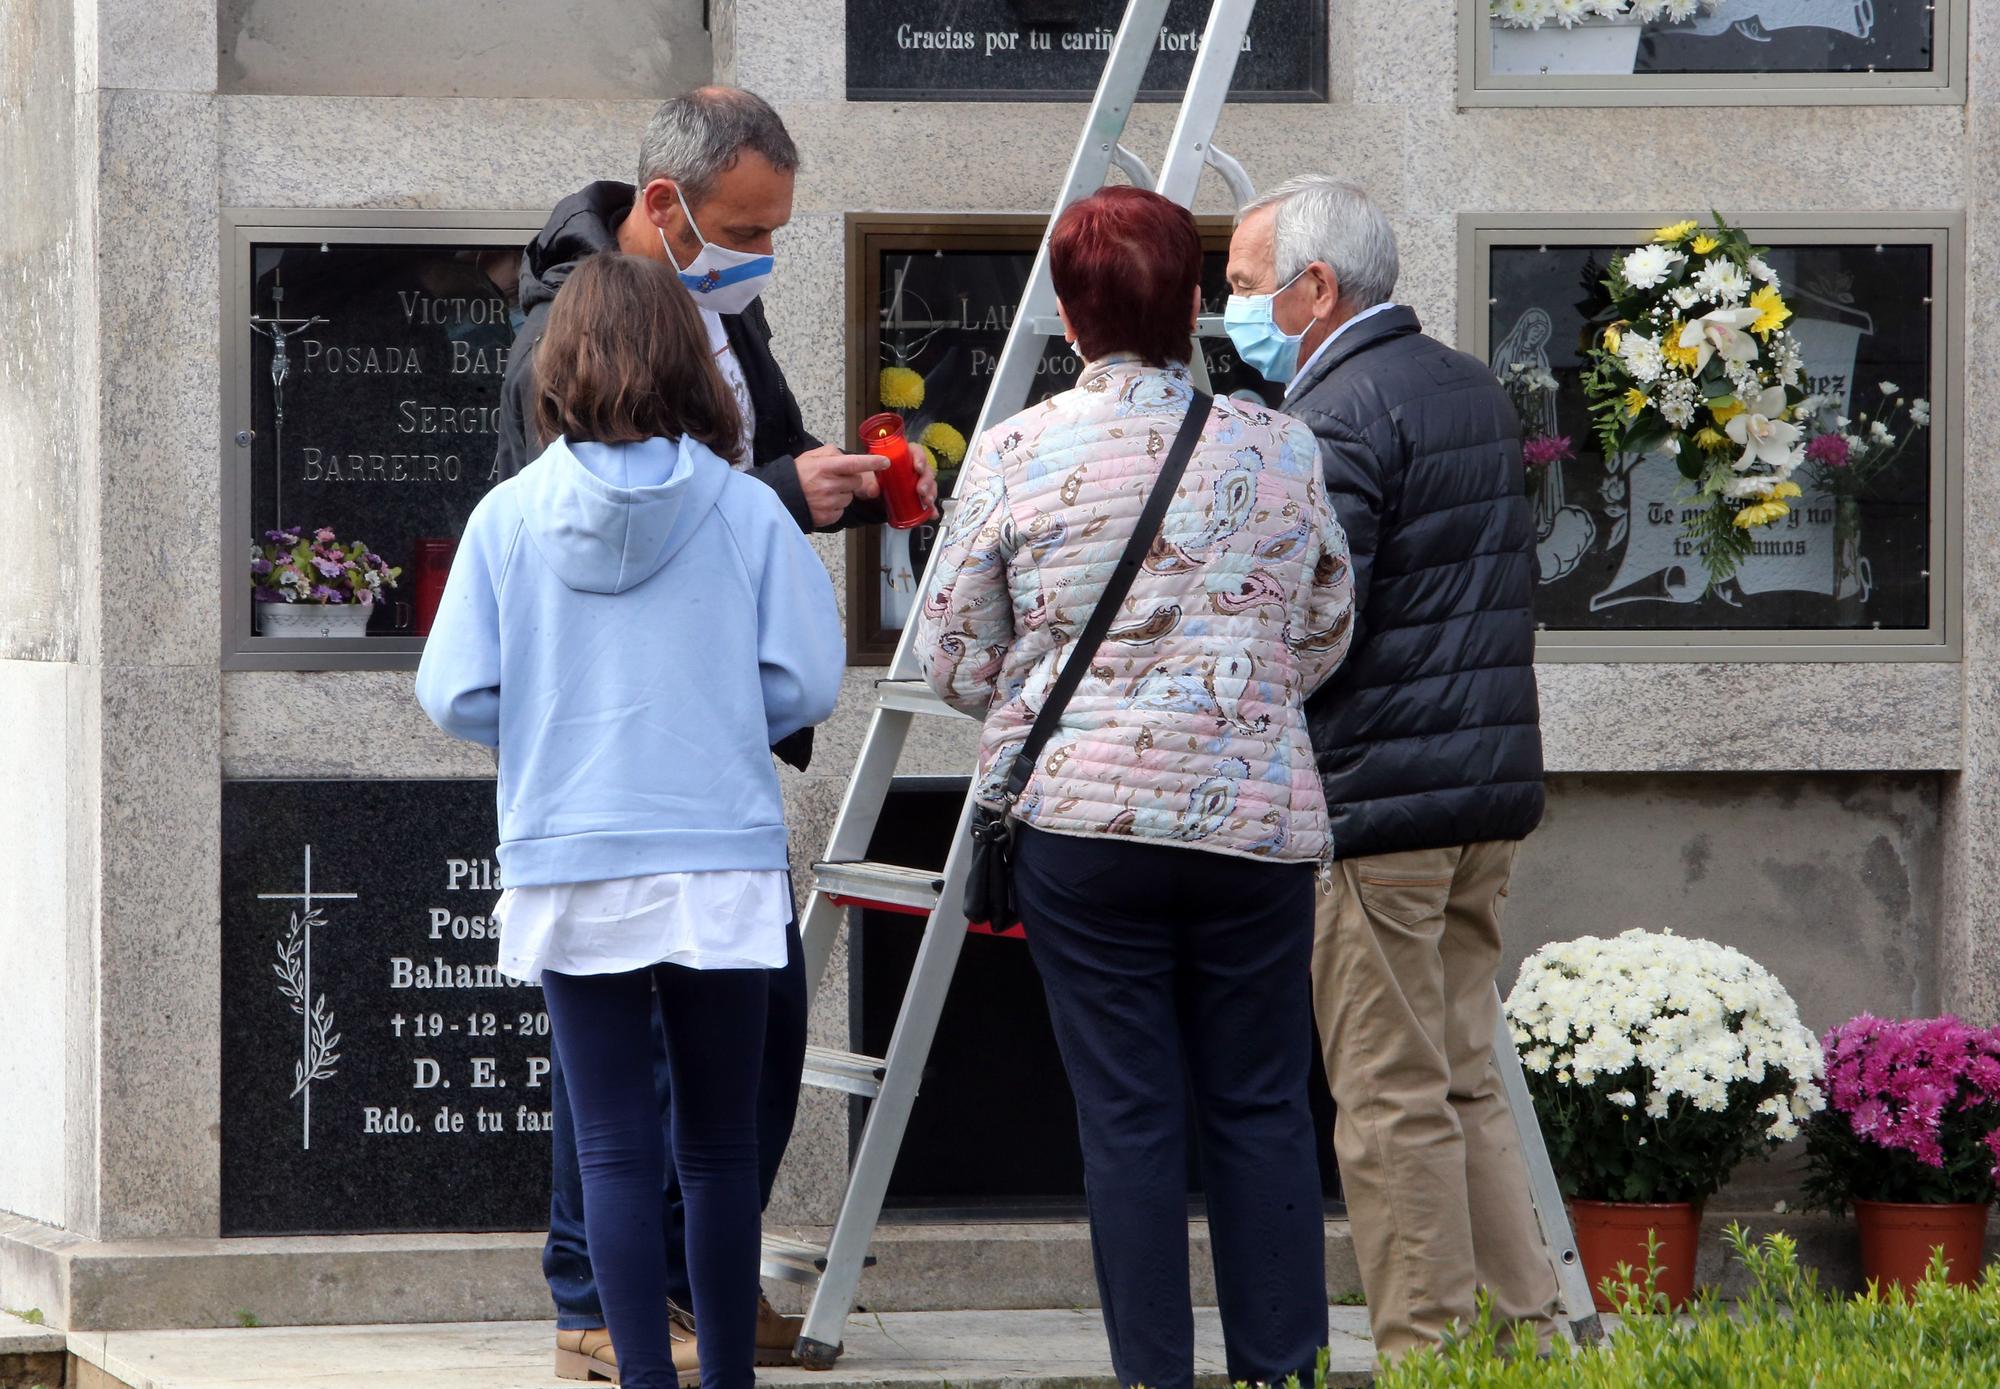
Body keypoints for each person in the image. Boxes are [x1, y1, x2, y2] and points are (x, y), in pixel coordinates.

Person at [492, 88, 934, 1380]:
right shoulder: (563, 330)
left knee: (698, 1087)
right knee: (642, 1107)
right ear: (666, 206)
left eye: (777, 230)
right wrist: (769, 508)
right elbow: (613, 513)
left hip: (643, 791)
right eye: (745, 228)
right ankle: (616, 1309)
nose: (763, 257)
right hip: (648, 777)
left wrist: (819, 485)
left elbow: (748, 461)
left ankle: (679, 1302)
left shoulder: (719, 299)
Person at [916, 185, 1355, 1389]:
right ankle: (1283, 1372)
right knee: (1263, 1108)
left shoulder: (1014, 451)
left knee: (1127, 1116)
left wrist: (1064, 685)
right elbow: (1323, 626)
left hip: (1082, 827)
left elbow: (949, 654)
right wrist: (1232, 701)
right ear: (1201, 302)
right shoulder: (1282, 445)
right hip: (1257, 823)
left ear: (1067, 315)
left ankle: (1152, 1375)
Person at [416, 252, 846, 1389]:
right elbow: (806, 682)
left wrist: (553, 720)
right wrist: (711, 711)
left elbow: (454, 692)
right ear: (687, 363)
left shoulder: (508, 518)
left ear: (560, 365)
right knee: (715, 1147)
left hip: (571, 849)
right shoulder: (746, 510)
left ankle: (642, 1379)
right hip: (717, 850)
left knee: (607, 1145)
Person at [1224, 176, 1558, 1362]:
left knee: (1386, 1100)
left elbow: (1321, 623)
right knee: (1461, 1079)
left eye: (1245, 288)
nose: (1233, 315)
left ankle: (1425, 1352)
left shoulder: (1332, 417)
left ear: (1315, 289)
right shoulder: (1466, 385)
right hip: (1482, 796)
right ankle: (1521, 1341)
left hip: (1376, 808)